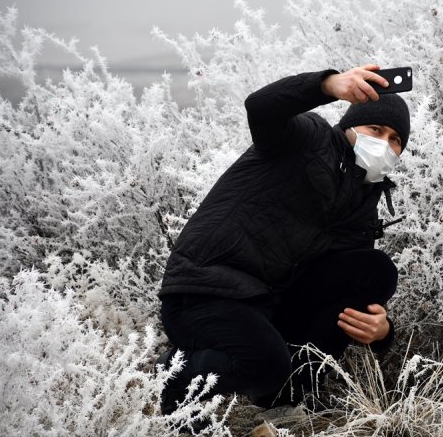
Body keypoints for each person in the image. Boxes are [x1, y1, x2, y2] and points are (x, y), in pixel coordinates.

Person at [156, 64, 411, 415]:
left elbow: (339, 288)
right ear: (349, 126)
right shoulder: (308, 138)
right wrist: (328, 84)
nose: (383, 144)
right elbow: (260, 107)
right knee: (265, 365)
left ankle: (285, 400)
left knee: (375, 270)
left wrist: (383, 333)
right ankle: (176, 374)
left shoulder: (362, 205)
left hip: (264, 302)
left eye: (395, 139)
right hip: (205, 292)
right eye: (375, 129)